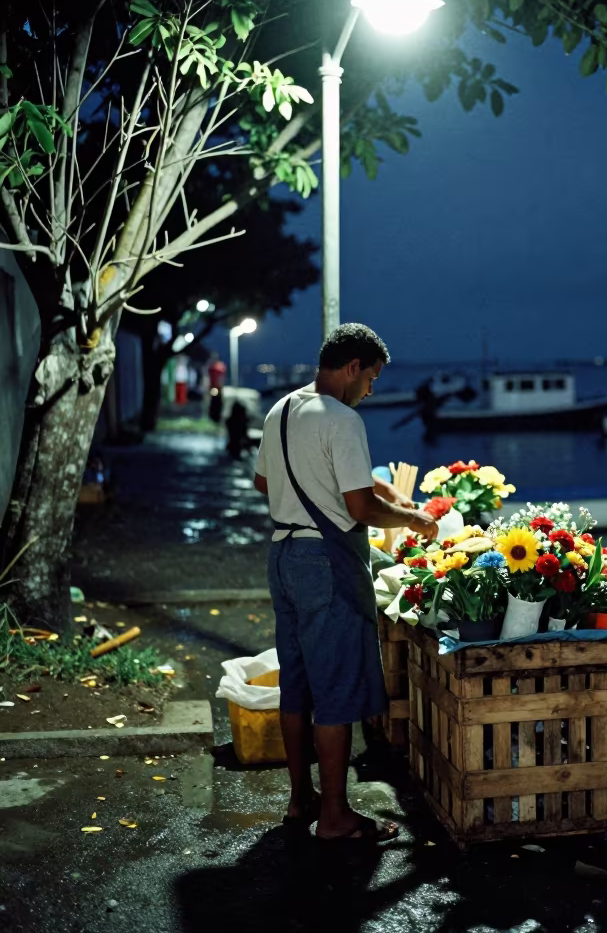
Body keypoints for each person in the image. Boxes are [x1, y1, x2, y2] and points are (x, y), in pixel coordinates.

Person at [253, 323, 438, 843]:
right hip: (325, 563)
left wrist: (363, 489)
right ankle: (335, 817)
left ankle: (301, 799)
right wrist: (415, 519)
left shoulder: (281, 409)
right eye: (371, 378)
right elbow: (360, 508)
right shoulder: (342, 418)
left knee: (297, 687)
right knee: (334, 690)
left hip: (283, 555)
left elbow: (264, 481)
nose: (371, 390)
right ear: (352, 367)